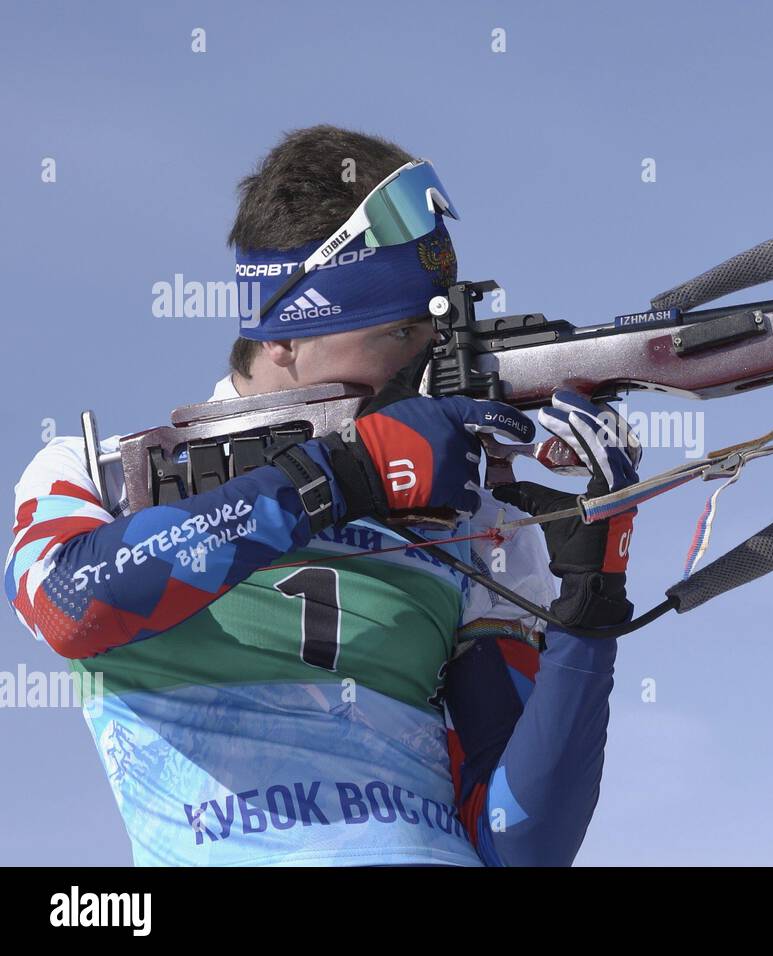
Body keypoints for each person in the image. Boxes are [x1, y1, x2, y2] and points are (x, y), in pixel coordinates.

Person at [3, 126, 639, 867]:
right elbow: (67, 606)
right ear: (282, 336)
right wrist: (338, 477)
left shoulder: (479, 516)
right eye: (399, 332)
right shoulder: (94, 475)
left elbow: (520, 847)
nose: (425, 362)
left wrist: (591, 607)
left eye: (435, 328)